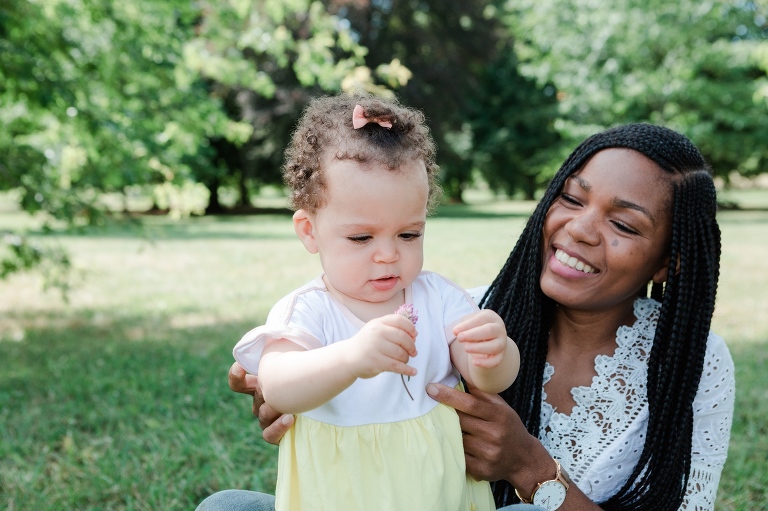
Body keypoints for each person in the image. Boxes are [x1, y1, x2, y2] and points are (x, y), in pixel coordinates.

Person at [204, 122, 735, 511]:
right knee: (226, 508)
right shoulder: (470, 306)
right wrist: (295, 382)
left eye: (623, 224)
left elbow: (492, 367)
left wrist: (527, 465)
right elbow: (298, 376)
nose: (580, 230)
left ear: (669, 261)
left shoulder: (692, 363)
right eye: (572, 199)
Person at [217, 94, 522, 511]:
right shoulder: (309, 310)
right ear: (309, 231)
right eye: (362, 237)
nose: (388, 255)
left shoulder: (439, 298)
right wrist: (352, 357)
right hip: (343, 493)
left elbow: (491, 380)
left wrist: (495, 351)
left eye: (409, 234)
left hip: (438, 493)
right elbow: (278, 385)